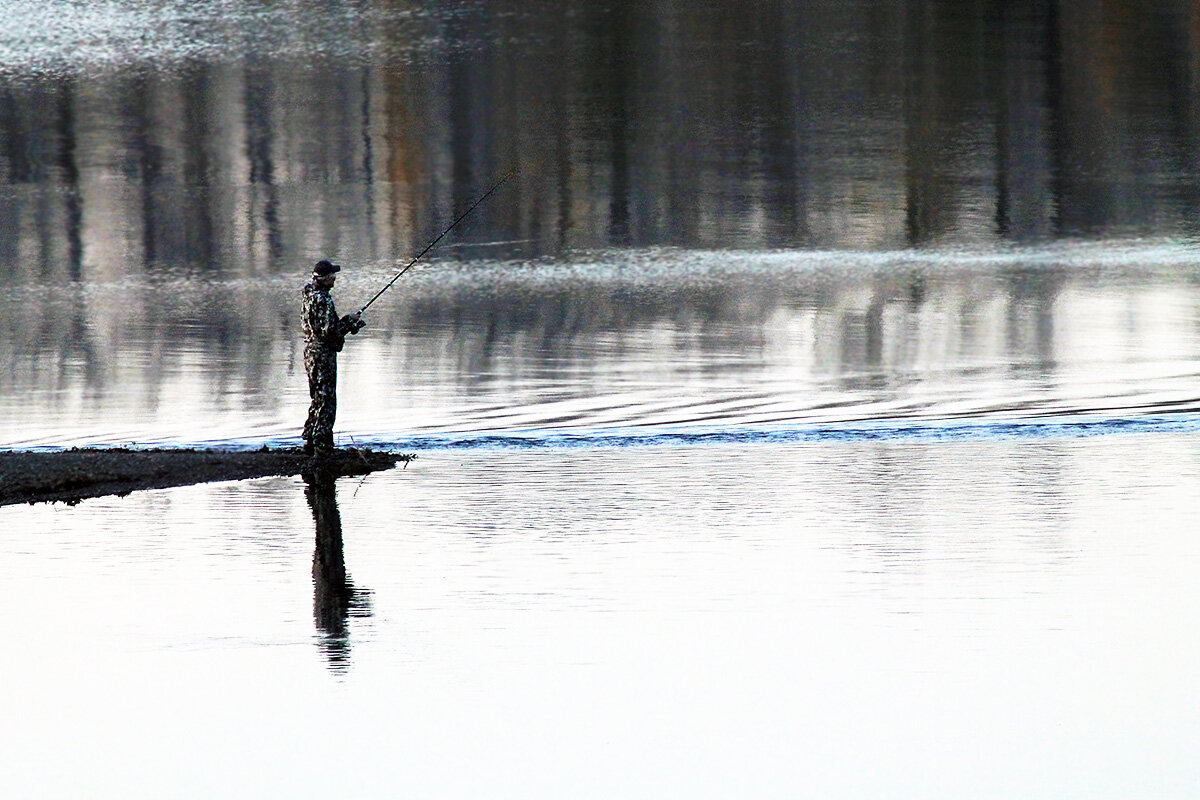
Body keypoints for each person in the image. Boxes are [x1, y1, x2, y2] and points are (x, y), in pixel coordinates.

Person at [301, 260, 365, 455]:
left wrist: (346, 324)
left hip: (310, 352)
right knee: (327, 399)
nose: (335, 279)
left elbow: (321, 328)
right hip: (323, 354)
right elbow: (330, 332)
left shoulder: (309, 296)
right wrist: (348, 322)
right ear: (324, 278)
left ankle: (310, 439)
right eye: (332, 276)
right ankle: (323, 444)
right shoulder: (324, 299)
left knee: (317, 396)